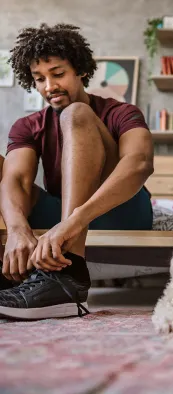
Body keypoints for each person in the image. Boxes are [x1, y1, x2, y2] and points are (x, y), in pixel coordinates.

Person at [0, 23, 154, 319]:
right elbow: (16, 178)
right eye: (39, 79)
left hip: (123, 210)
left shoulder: (121, 112)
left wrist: (73, 222)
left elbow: (139, 164)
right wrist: (17, 229)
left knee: (77, 114)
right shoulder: (28, 125)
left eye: (58, 74)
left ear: (81, 70)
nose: (49, 87)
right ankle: (9, 273)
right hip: (59, 213)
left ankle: (67, 276)